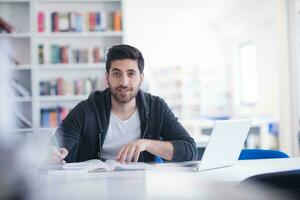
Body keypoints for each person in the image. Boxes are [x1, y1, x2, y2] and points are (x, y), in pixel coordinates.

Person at [51, 44, 197, 164]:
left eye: (131, 73)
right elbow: (54, 146)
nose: (124, 82)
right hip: (96, 187)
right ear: (107, 77)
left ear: (141, 78)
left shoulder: (156, 107)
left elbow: (190, 150)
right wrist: (52, 154)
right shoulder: (86, 109)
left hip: (141, 185)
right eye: (116, 73)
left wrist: (146, 144)